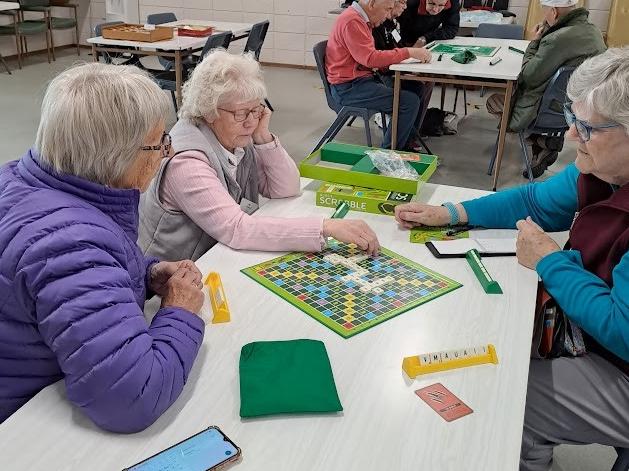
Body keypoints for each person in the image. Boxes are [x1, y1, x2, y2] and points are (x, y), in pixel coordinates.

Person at [394, 48, 629, 471]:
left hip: (620, 356)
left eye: (587, 128)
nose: (571, 137)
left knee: (508, 395)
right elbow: (535, 201)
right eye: (571, 119)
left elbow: (621, 329)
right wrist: (453, 213)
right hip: (596, 336)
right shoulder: (602, 167)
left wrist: (551, 263)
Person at [0, 63, 207, 433]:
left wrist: (144, 273)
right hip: (21, 430)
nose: (165, 153)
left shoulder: (20, 178)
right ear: (117, 154)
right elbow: (131, 398)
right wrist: (179, 310)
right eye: (159, 142)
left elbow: (59, 284)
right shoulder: (70, 242)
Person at [139, 50, 380, 263]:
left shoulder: (236, 138)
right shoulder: (186, 162)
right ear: (209, 111)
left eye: (257, 110)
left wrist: (263, 136)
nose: (252, 121)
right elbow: (237, 229)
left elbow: (286, 187)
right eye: (242, 113)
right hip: (169, 280)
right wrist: (325, 226)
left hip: (217, 256)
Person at [486, 0, 606, 179]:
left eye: (545, 12)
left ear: (554, 11)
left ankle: (540, 141)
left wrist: (534, 43)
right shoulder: (594, 32)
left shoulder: (556, 39)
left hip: (548, 109)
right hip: (580, 109)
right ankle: (544, 142)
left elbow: (529, 76)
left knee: (493, 101)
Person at [325, 0, 433, 150]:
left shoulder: (360, 19)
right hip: (348, 88)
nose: (388, 15)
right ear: (372, 3)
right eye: (387, 9)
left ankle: (406, 141)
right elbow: (370, 58)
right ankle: (389, 153)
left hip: (362, 80)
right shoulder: (352, 21)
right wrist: (408, 52)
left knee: (416, 88)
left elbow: (371, 59)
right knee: (408, 102)